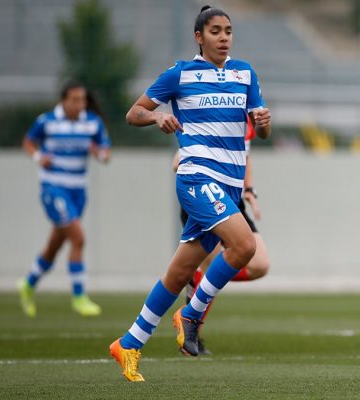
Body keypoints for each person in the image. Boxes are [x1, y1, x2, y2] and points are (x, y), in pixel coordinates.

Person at [109, 5, 271, 382]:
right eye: (215, 31)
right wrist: (157, 116)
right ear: (199, 36)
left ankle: (129, 343)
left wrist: (264, 123)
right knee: (245, 246)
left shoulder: (245, 73)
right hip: (197, 177)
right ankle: (192, 314)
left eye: (228, 30)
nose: (224, 37)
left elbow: (259, 134)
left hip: (228, 187)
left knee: (180, 270)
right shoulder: (179, 74)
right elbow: (134, 112)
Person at [172, 119, 271, 355]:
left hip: (233, 203)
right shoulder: (213, 115)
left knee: (260, 264)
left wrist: (249, 189)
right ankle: (188, 333)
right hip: (206, 201)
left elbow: (244, 156)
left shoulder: (244, 120)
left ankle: (196, 282)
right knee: (209, 270)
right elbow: (177, 162)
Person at [17, 80, 110, 318]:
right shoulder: (47, 121)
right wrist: (39, 157)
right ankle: (79, 296)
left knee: (54, 246)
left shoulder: (91, 122)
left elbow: (105, 152)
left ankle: (28, 284)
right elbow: (28, 142)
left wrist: (99, 153)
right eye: (75, 100)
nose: (80, 104)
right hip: (53, 188)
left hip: (78, 192)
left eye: (83, 100)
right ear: (64, 101)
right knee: (78, 238)